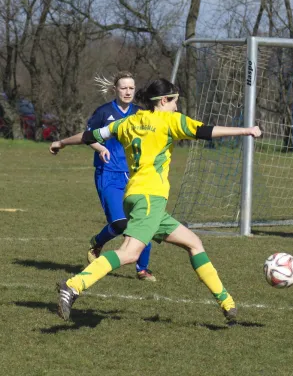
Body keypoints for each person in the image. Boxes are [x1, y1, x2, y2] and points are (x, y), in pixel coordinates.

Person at [50, 78, 261, 322]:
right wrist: (247, 130)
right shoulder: (170, 121)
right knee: (129, 253)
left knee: (193, 243)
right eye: (174, 102)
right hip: (150, 197)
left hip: (136, 196)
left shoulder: (128, 122)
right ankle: (73, 286)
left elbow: (89, 136)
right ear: (163, 101)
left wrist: (61, 142)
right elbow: (206, 131)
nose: (176, 107)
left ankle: (227, 304)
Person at [50, 71, 157, 281]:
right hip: (108, 174)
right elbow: (87, 136)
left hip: (135, 176)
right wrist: (96, 148)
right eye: (123, 88)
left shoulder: (141, 114)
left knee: (144, 222)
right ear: (115, 90)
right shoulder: (104, 112)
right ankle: (98, 241)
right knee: (120, 224)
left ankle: (142, 269)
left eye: (131, 88)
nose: (128, 91)